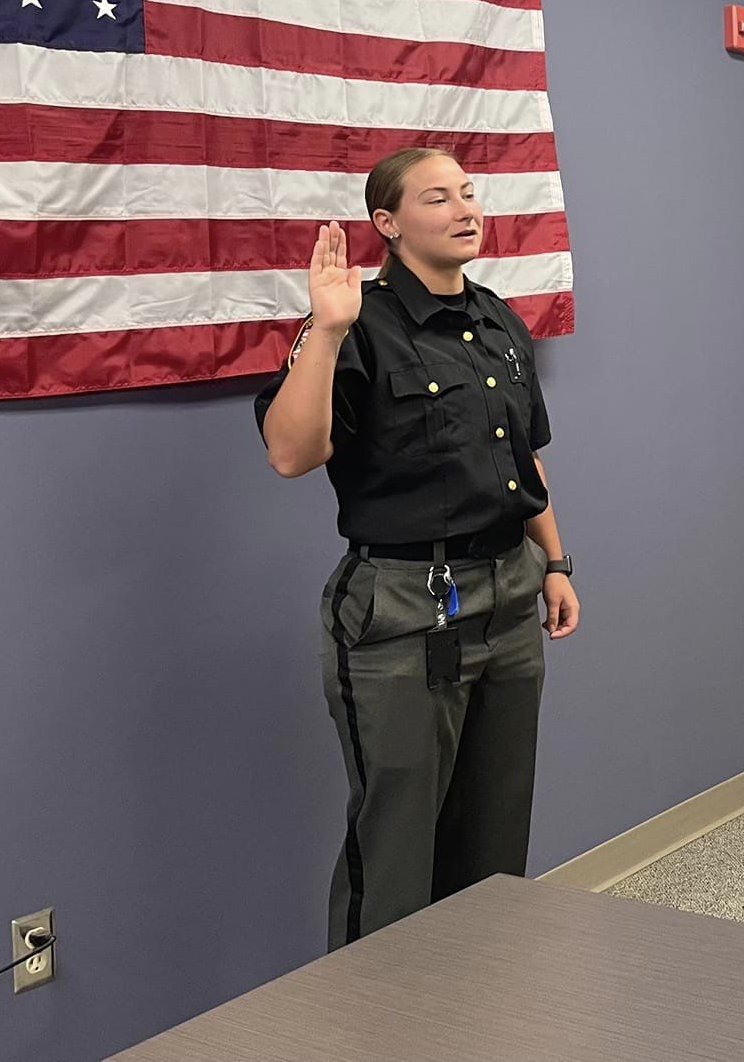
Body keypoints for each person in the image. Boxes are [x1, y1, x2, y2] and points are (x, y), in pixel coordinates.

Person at [257, 147, 580, 949]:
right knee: (396, 854)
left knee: (495, 845)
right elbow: (290, 452)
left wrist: (556, 562)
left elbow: (521, 458)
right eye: (438, 197)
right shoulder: (354, 324)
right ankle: (378, 1026)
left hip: (509, 595)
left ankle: (475, 1012)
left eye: (470, 193)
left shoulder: (498, 319)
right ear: (388, 223)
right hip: (404, 610)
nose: (465, 207)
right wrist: (326, 333)